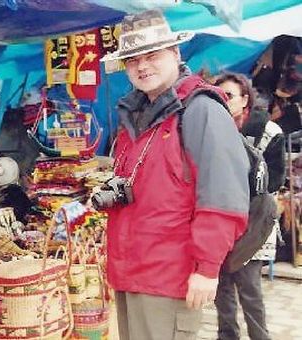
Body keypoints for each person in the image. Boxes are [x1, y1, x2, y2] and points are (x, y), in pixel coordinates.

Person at [99, 10, 250, 340]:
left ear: (176, 53)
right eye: (133, 59)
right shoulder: (134, 115)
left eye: (152, 55)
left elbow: (223, 197)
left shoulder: (201, 110)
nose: (142, 66)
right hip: (130, 272)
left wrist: (208, 269)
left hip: (169, 276)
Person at [214, 73, 286, 340]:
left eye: (229, 95)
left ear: (245, 99)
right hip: (220, 219)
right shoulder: (213, 128)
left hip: (254, 221)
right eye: (219, 95)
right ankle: (227, 336)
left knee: (249, 289)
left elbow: (275, 180)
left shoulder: (269, 131)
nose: (224, 101)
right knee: (221, 289)